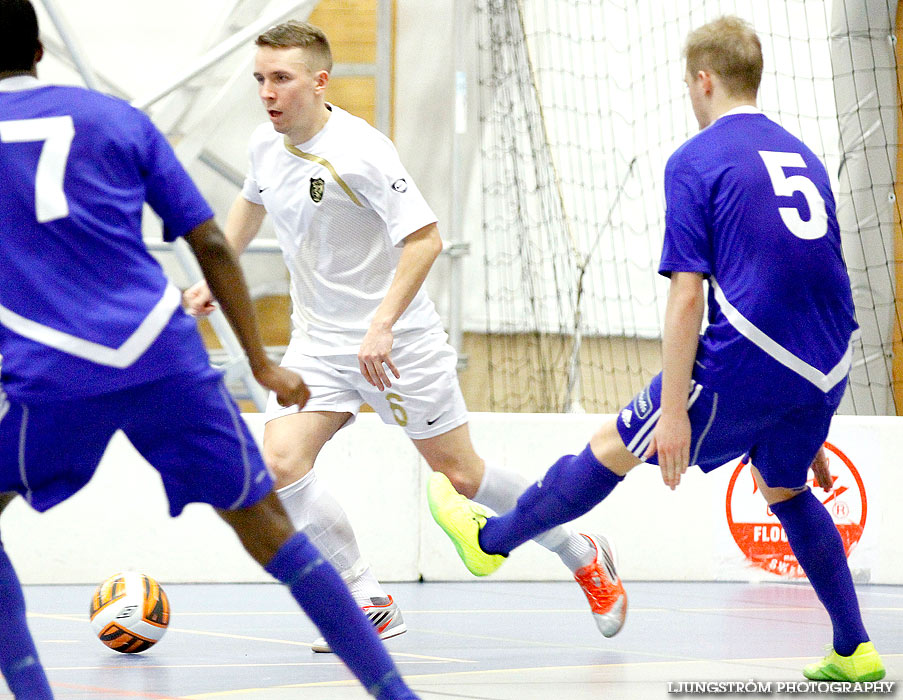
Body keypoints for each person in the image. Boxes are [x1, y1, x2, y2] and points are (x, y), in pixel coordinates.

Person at [427, 15, 886, 683]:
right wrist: (806, 409)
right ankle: (853, 648)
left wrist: (673, 413)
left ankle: (489, 542)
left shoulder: (695, 158)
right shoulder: (802, 155)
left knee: (612, 446)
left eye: (685, 83)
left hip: (751, 356)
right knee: (783, 486)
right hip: (827, 359)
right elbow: (814, 271)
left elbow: (685, 298)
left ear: (702, 80)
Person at [0, 2, 419, 698]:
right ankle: (393, 693)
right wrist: (259, 363)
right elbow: (213, 242)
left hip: (54, 371)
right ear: (42, 49)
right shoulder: (117, 119)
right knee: (265, 527)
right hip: (162, 356)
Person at [183, 19, 626, 651]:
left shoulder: (363, 151)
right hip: (319, 343)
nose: (268, 93)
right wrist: (215, 272)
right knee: (279, 463)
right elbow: (251, 203)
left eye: (281, 78)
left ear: (319, 81)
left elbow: (425, 240)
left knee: (463, 475)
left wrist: (383, 324)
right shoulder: (264, 145)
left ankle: (578, 549)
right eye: (260, 79)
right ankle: (368, 597)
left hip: (399, 344)